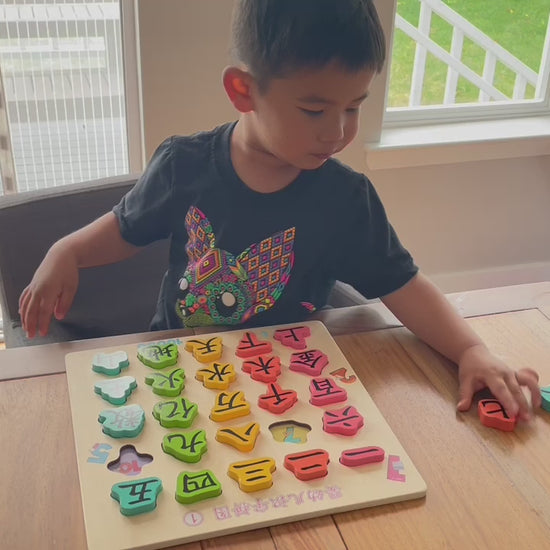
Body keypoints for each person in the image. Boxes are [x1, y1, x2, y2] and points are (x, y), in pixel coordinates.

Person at [19, 0, 540, 420]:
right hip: (178, 370)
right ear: (244, 90)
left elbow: (403, 284)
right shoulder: (184, 166)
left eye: (353, 106)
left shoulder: (345, 199)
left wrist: (472, 349)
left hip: (294, 385)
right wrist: (68, 250)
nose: (337, 131)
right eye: (314, 109)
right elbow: (125, 229)